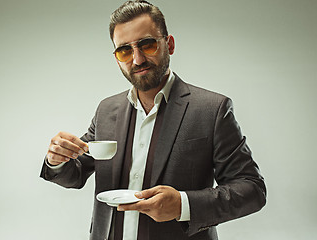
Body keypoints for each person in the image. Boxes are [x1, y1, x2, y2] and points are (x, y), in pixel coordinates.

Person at [40, 1, 266, 239]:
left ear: (169, 44)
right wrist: (57, 160)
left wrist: (182, 205)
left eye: (147, 45)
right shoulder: (106, 110)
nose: (137, 60)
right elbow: (75, 174)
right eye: (124, 50)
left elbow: (252, 189)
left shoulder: (212, 109)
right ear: (116, 57)